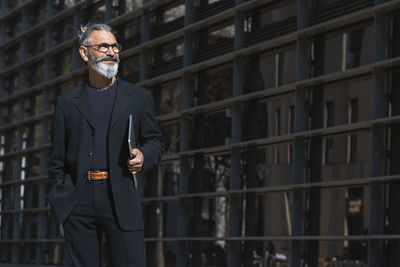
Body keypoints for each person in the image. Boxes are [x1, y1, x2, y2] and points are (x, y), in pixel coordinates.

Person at [48, 23, 164, 267]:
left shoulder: (139, 98)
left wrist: (143, 155)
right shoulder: (67, 103)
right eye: (103, 46)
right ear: (84, 53)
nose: (111, 52)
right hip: (78, 200)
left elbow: (156, 141)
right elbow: (56, 159)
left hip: (120, 195)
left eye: (114, 46)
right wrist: (62, 198)